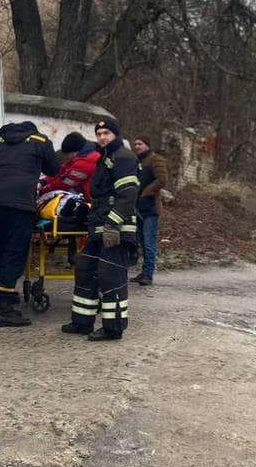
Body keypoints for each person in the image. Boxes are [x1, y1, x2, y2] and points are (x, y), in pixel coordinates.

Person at [61, 117, 140, 342]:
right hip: (99, 223)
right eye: (99, 134)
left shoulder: (124, 158)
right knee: (85, 270)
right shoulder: (104, 159)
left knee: (111, 276)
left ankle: (113, 328)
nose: (102, 137)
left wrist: (112, 223)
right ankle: (82, 322)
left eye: (106, 133)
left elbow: (127, 195)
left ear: (116, 135)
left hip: (115, 227)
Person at [0, 120, 58, 327]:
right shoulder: (39, 140)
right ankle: (4, 310)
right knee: (14, 252)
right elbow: (53, 169)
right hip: (19, 204)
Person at [131, 136, 168, 286]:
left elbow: (162, 179)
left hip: (150, 208)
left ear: (147, 145)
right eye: (135, 144)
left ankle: (148, 274)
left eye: (140, 144)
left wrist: (146, 192)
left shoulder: (156, 159)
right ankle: (144, 272)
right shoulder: (136, 161)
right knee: (140, 241)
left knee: (149, 242)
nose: (137, 146)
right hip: (138, 206)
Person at [41, 131, 100, 201]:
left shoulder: (86, 162)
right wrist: (44, 181)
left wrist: (43, 191)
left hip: (90, 199)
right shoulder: (84, 154)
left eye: (67, 154)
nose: (66, 157)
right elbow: (61, 170)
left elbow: (64, 184)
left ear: (73, 152)